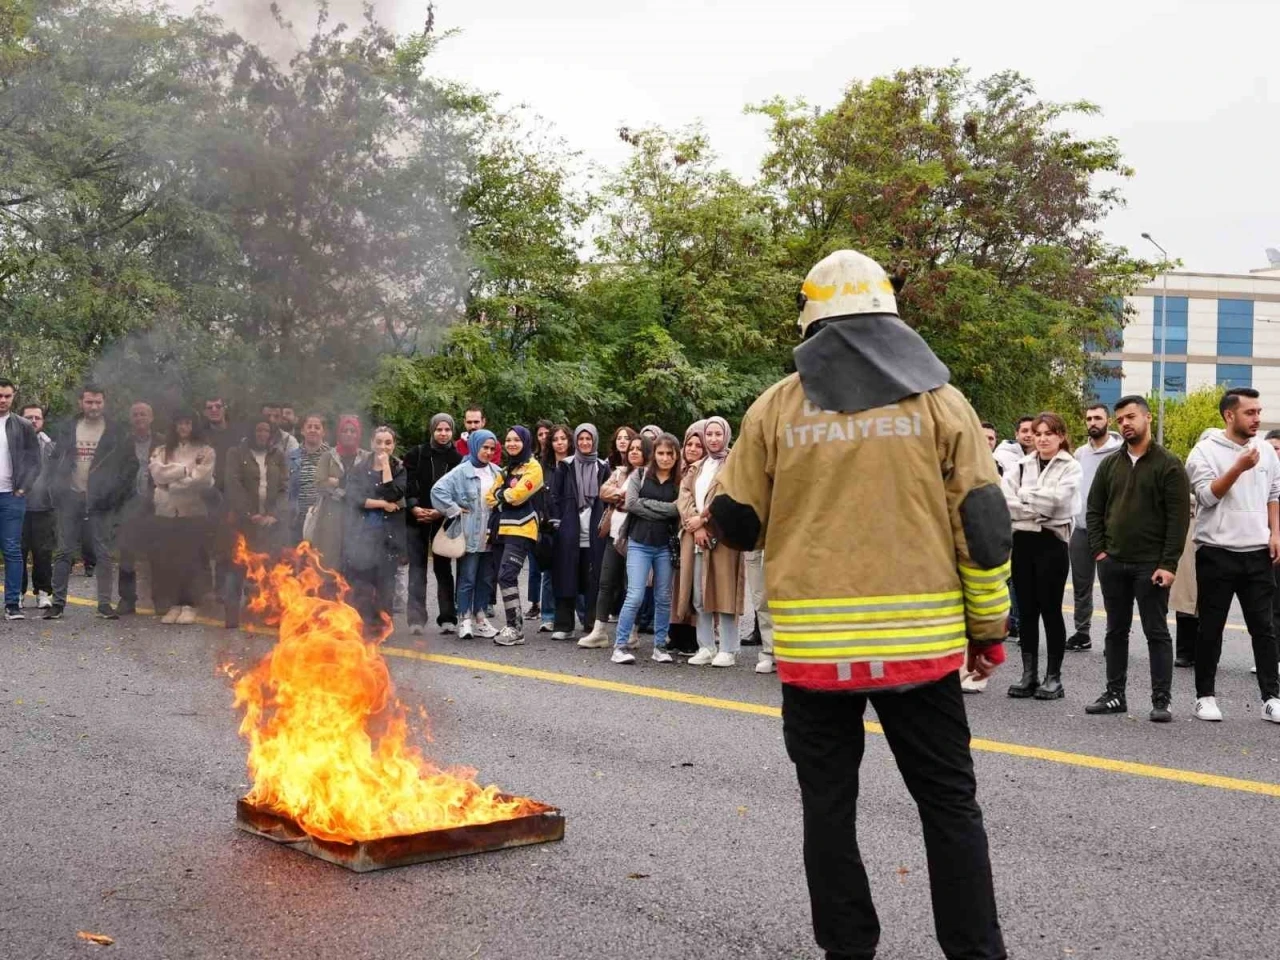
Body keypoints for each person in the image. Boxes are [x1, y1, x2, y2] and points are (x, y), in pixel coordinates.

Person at [707, 250, 1010, 960]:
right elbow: (986, 531)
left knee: (829, 810)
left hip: (816, 659)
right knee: (949, 808)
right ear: (890, 315)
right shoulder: (942, 401)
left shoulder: (776, 407)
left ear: (810, 319)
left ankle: (848, 951)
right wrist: (987, 630)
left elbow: (737, 521)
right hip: (921, 651)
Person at [1085, 394, 1189, 722]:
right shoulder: (1110, 465)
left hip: (1151, 566)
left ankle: (1162, 700)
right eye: (1121, 420)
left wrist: (1168, 564)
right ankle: (1115, 695)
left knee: (1156, 631)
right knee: (1115, 631)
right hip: (1113, 562)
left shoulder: (1169, 464)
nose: (1125, 424)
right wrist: (1100, 552)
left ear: (1146, 419)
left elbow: (1178, 519)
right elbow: (1094, 511)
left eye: (1131, 417)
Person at [1184, 388, 1280, 723]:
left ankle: (1271, 697)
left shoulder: (1266, 451)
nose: (1257, 418)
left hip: (1257, 553)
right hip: (1216, 552)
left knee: (1264, 628)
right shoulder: (1203, 452)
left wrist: (1275, 532)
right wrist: (1238, 468)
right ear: (1229, 415)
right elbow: (1207, 497)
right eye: (1249, 412)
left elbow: (1273, 491)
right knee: (1211, 628)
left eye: (1258, 411)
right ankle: (1204, 697)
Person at [1001, 413, 1082, 700]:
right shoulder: (1021, 466)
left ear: (1061, 436)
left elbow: (1059, 504)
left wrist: (1023, 500)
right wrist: (1036, 505)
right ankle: (1029, 675)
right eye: (1038, 433)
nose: (1043, 438)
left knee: (1050, 609)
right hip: (1022, 543)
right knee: (1026, 610)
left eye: (1050, 433)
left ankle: (1053, 678)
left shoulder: (1071, 467)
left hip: (1052, 544)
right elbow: (1004, 501)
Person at [47, 386, 138, 620]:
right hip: (71, 497)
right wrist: (56, 487)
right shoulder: (69, 428)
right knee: (63, 551)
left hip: (102, 500)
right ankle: (57, 604)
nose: (94, 407)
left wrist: (113, 494)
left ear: (104, 403)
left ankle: (104, 605)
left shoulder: (116, 431)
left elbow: (130, 466)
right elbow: (56, 459)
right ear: (81, 403)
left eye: (98, 402)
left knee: (103, 552)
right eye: (89, 402)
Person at [677, 416, 745, 666]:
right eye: (710, 434)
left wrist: (704, 520)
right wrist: (694, 523)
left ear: (726, 435)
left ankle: (728, 648)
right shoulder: (698, 466)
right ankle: (705, 646)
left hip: (724, 536)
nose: (713, 439)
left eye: (718, 434)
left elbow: (728, 497)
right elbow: (683, 494)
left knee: (724, 591)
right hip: (695, 536)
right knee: (698, 592)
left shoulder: (734, 463)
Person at [611, 433, 681, 664]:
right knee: (635, 595)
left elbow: (678, 510)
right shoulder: (639, 475)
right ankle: (619, 646)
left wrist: (647, 505)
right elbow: (631, 504)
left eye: (670, 453)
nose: (665, 458)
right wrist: (664, 509)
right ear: (654, 455)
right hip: (639, 542)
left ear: (676, 455)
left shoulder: (680, 480)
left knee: (663, 596)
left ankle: (660, 646)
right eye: (660, 453)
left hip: (664, 545)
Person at [580, 434, 650, 648]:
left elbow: (641, 500)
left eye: (639, 448)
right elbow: (603, 491)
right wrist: (621, 494)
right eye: (631, 449)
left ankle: (632, 632)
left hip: (637, 537)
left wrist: (625, 498)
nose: (634, 452)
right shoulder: (620, 472)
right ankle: (599, 631)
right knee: (605, 582)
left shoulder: (651, 475)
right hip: (614, 534)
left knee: (633, 586)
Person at [1063, 405, 1124, 651]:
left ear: (1107, 420)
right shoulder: (1079, 453)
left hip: (1110, 532)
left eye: (1098, 417)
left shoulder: (1120, 451)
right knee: (1081, 585)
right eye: (1088, 418)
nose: (1093, 422)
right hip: (1080, 529)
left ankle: (1116, 635)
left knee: (1113, 587)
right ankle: (1082, 633)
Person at [431, 429, 500, 640]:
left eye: (491, 448)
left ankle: (480, 618)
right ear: (474, 446)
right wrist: (454, 510)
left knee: (485, 579)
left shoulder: (497, 472)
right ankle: (464, 619)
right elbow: (437, 491)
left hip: (491, 534)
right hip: (469, 534)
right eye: (484, 447)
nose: (487, 452)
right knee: (467, 577)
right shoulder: (461, 471)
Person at [148, 412, 216, 624]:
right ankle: (175, 604)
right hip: (166, 512)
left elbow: (201, 480)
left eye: (187, 422)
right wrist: (186, 469)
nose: (183, 427)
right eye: (180, 422)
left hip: (193, 512)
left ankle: (190, 605)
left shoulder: (205, 451)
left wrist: (170, 483)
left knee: (191, 561)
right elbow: (157, 474)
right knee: (170, 561)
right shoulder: (162, 450)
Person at [548, 424, 612, 641]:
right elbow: (554, 497)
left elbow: (609, 498)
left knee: (594, 579)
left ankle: (592, 624)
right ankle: (564, 625)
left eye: (589, 439)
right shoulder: (565, 466)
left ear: (595, 440)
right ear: (576, 441)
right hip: (569, 532)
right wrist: (558, 524)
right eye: (581, 439)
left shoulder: (603, 467)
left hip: (595, 533)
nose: (585, 443)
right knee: (566, 577)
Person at [223, 418, 288, 629]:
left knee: (267, 570)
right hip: (242, 522)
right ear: (252, 432)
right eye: (258, 429)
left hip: (269, 524)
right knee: (237, 569)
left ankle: (261, 615)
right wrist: (250, 513)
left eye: (266, 430)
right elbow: (233, 484)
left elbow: (285, 488)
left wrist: (273, 514)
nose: (262, 434)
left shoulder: (278, 455)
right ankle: (231, 616)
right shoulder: (236, 453)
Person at [404, 413, 463, 635]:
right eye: (439, 429)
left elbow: (459, 491)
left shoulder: (458, 459)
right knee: (417, 569)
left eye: (447, 430)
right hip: (417, 517)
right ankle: (416, 619)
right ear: (432, 430)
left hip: (443, 519)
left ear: (452, 432)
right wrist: (413, 506)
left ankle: (448, 617)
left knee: (443, 568)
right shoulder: (416, 454)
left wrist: (441, 512)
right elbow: (407, 483)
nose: (443, 433)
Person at [343, 426, 406, 632]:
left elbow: (393, 494)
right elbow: (354, 498)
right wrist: (382, 505)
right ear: (371, 443)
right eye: (379, 442)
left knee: (386, 584)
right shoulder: (359, 468)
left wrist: (386, 466)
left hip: (388, 537)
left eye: (388, 443)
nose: (383, 446)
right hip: (362, 535)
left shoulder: (399, 468)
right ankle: (360, 624)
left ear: (393, 445)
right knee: (361, 582)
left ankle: (382, 627)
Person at [491, 426, 545, 646]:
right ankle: (513, 625)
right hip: (502, 528)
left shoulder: (534, 467)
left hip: (522, 528)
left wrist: (502, 495)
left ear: (526, 442)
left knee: (506, 575)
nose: (512, 443)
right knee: (504, 576)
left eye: (517, 440)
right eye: (508, 440)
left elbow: (518, 495)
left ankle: (516, 628)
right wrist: (503, 495)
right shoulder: (506, 470)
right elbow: (489, 497)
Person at [115, 401, 163, 616]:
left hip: (157, 504)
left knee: (159, 554)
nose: (139, 418)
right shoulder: (122, 443)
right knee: (127, 553)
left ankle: (161, 598)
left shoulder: (163, 442)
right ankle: (127, 599)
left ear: (151, 417)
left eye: (143, 414)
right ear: (130, 419)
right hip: (130, 504)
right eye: (135, 414)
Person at [1, 379, 41, 620]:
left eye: (7, 395)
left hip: (11, 497)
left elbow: (35, 462)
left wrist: (23, 489)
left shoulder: (23, 425)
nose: (3, 400)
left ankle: (12, 604)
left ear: (14, 396)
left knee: (13, 551)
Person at [310, 415, 367, 574]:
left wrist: (338, 483)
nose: (349, 434)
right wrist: (346, 490)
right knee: (329, 560)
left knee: (356, 559)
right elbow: (320, 484)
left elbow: (369, 485)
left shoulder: (366, 457)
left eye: (353, 431)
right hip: (331, 515)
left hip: (358, 514)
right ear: (339, 434)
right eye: (344, 430)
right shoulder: (328, 456)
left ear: (358, 434)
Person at [533, 424, 572, 634]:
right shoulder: (542, 466)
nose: (559, 442)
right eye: (555, 439)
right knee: (548, 572)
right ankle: (548, 616)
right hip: (547, 524)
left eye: (563, 438)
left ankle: (582, 615)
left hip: (571, 523)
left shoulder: (576, 464)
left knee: (573, 569)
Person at [18, 403, 55, 610]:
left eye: (37, 418)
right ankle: (18, 593)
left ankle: (44, 592)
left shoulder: (51, 446)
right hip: (18, 506)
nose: (33, 421)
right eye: (28, 417)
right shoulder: (10, 443)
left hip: (44, 506)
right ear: (20, 419)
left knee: (43, 552)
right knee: (18, 552)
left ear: (42, 421)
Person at [523, 419, 556, 621]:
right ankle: (534, 603)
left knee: (550, 565)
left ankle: (551, 607)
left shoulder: (555, 461)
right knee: (534, 564)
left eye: (547, 434)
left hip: (550, 515)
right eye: (540, 434)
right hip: (533, 513)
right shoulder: (531, 459)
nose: (543, 437)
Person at [290, 414, 330, 545]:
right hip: (297, 518)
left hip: (322, 518)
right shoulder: (291, 458)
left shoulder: (333, 457)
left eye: (317, 427)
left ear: (323, 432)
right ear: (302, 431)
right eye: (309, 427)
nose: (313, 430)